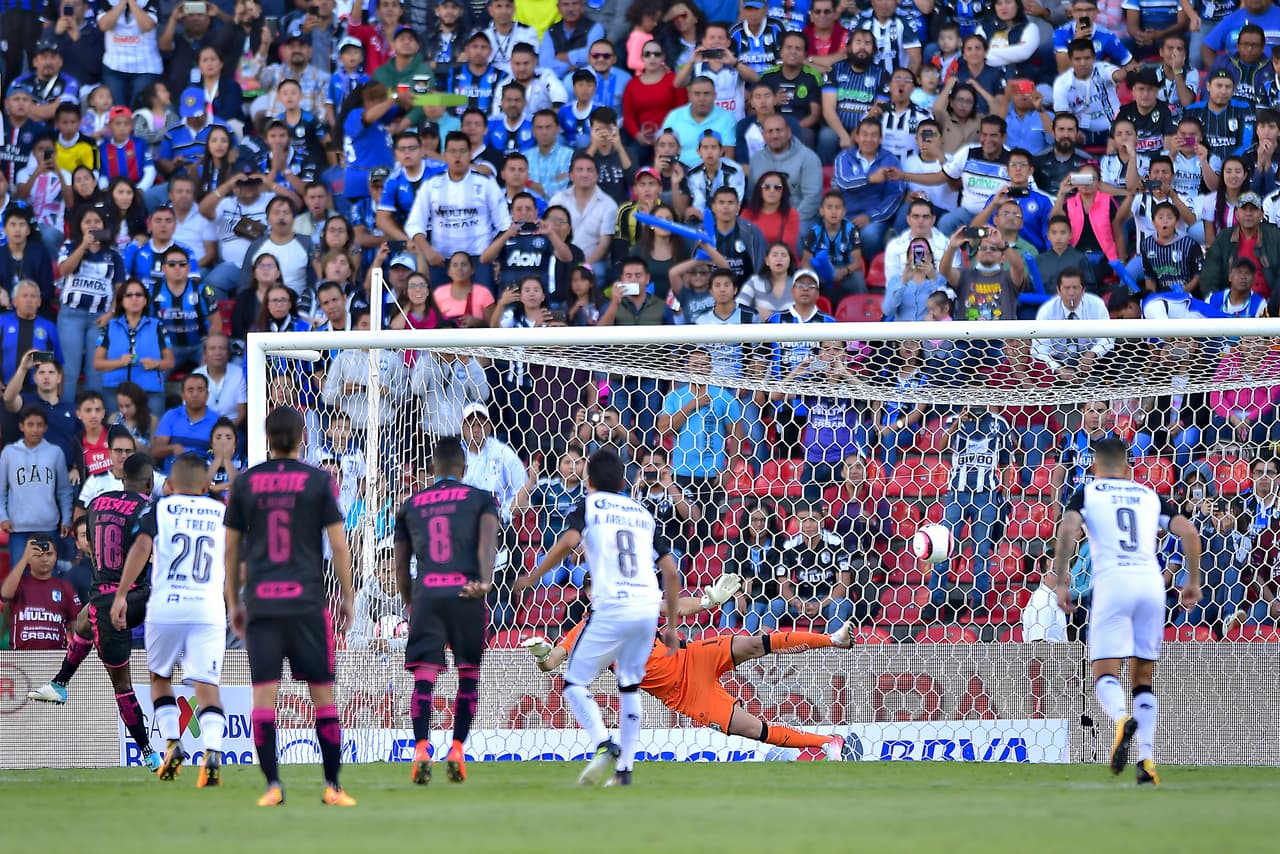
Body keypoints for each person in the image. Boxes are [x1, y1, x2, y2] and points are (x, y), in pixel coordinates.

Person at [522, 579, 850, 757]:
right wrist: (543, 653)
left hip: (692, 657)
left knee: (751, 643)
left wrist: (709, 601)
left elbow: (675, 607)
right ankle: (826, 742)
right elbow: (552, 662)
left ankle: (833, 639)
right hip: (685, 695)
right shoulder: (585, 631)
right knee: (753, 729)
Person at [513, 448, 680, 787]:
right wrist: (673, 625)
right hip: (648, 607)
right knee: (629, 685)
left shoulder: (589, 506)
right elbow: (672, 572)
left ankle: (604, 742)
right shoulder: (642, 513)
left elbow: (568, 541)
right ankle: (625, 772)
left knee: (574, 684)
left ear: (587, 481)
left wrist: (533, 576)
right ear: (623, 481)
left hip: (613, 605)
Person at [224, 406, 355, 807]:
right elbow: (337, 544)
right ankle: (332, 787)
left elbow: (231, 548)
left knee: (264, 696)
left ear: (266, 438)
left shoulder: (246, 483)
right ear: (302, 436)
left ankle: (272, 787)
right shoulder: (319, 481)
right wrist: (348, 598)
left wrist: (233, 601)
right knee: (323, 696)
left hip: (262, 602)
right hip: (307, 602)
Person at [1053, 437, 1202, 786]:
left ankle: (1121, 719)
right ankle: (1146, 763)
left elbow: (1068, 529)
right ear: (1129, 467)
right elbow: (1190, 532)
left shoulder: (1088, 493)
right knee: (1143, 679)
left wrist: (1062, 582)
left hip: (1113, 583)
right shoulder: (1150, 495)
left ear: (1093, 468)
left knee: (1105, 670)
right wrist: (1192, 580)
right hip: (1151, 585)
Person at [26, 453, 161, 770]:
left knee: (87, 620)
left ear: (121, 478)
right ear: (149, 482)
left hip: (101, 592)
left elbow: (91, 544)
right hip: (129, 597)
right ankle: (149, 754)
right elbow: (148, 549)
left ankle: (60, 684)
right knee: (122, 684)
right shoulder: (147, 509)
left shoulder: (97, 503)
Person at [111, 452, 227, 787]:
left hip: (167, 605)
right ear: (206, 484)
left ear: (171, 484)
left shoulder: (160, 508)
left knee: (159, 678)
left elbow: (141, 547)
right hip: (208, 608)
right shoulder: (222, 512)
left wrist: (121, 594)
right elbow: (234, 557)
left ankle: (173, 745)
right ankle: (213, 752)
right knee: (206, 685)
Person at [393, 435, 498, 785]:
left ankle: (422, 748)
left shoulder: (410, 505)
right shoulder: (481, 499)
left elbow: (399, 564)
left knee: (425, 677)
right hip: (466, 593)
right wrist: (483, 581)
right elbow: (488, 542)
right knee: (468, 675)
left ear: (433, 469)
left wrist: (412, 601)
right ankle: (456, 749)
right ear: (463, 468)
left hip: (427, 595)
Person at [1, 536, 80, 650]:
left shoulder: (66, 588)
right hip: (20, 657)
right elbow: (5, 594)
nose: (44, 559)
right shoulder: (19, 583)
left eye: (49, 554)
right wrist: (24, 559)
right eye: (38, 555)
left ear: (56, 556)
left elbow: (76, 629)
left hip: (56, 658)